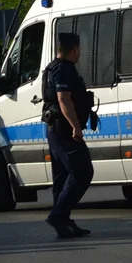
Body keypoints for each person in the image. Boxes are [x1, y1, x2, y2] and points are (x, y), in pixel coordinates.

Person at [41, 32, 95, 237]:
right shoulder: (63, 70)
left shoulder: (54, 67)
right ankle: (59, 213)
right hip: (64, 130)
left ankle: (62, 224)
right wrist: (76, 127)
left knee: (63, 176)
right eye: (79, 49)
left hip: (55, 129)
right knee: (82, 171)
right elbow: (63, 100)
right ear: (74, 49)